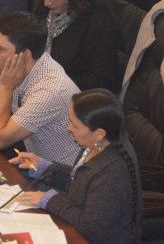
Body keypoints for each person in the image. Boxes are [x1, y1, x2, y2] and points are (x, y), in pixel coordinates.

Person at [10, 89, 142, 244]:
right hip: (73, 227)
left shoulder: (112, 172)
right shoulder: (96, 144)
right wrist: (45, 168)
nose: (69, 128)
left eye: (75, 125)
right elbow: (80, 181)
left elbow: (91, 229)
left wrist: (49, 200)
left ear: (99, 133)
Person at [0, 12, 81, 165]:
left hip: (60, 180)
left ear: (24, 55)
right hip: (35, 166)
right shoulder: (19, 68)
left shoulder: (50, 90)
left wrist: (6, 86)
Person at [31, 0, 120, 92]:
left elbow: (102, 80)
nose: (46, 2)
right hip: (41, 85)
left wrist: (50, 81)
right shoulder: (46, 8)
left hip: (74, 96)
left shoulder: (98, 23)